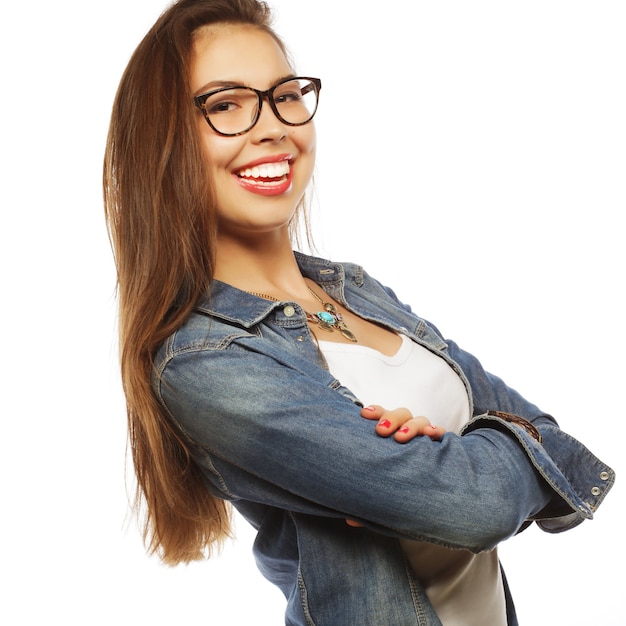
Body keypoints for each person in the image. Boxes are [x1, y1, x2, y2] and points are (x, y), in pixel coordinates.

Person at [103, 1, 614, 624]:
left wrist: (450, 456)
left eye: (285, 95)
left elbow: (549, 430)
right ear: (163, 140)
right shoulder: (204, 362)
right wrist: (479, 460)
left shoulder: (354, 290)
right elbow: (473, 506)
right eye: (225, 104)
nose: (273, 128)